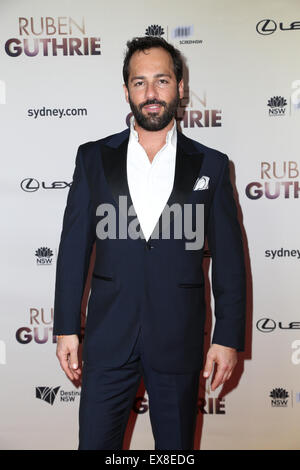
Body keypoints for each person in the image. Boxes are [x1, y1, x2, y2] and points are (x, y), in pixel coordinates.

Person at [53, 36, 246, 450]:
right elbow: (73, 249)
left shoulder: (211, 164)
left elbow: (229, 260)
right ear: (126, 91)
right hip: (107, 337)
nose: (151, 93)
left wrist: (227, 336)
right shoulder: (92, 158)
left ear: (180, 87)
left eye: (161, 80)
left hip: (178, 336)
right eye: (139, 83)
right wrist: (67, 327)